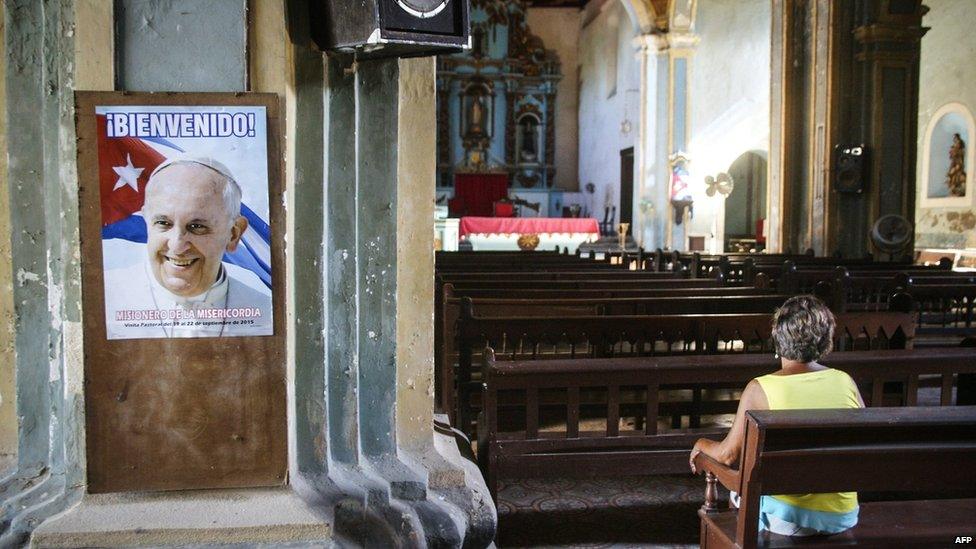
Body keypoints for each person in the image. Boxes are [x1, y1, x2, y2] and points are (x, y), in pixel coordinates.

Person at [689, 295, 864, 536]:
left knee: (737, 493)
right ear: (825, 339)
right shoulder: (846, 381)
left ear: (777, 338)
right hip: (842, 515)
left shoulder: (760, 388)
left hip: (790, 520)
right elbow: (862, 440)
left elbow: (728, 456)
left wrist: (701, 444)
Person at [103, 156, 273, 339]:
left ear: (233, 234)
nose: (177, 246)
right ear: (147, 223)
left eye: (197, 227)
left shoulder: (265, 313)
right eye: (163, 223)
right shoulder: (106, 299)